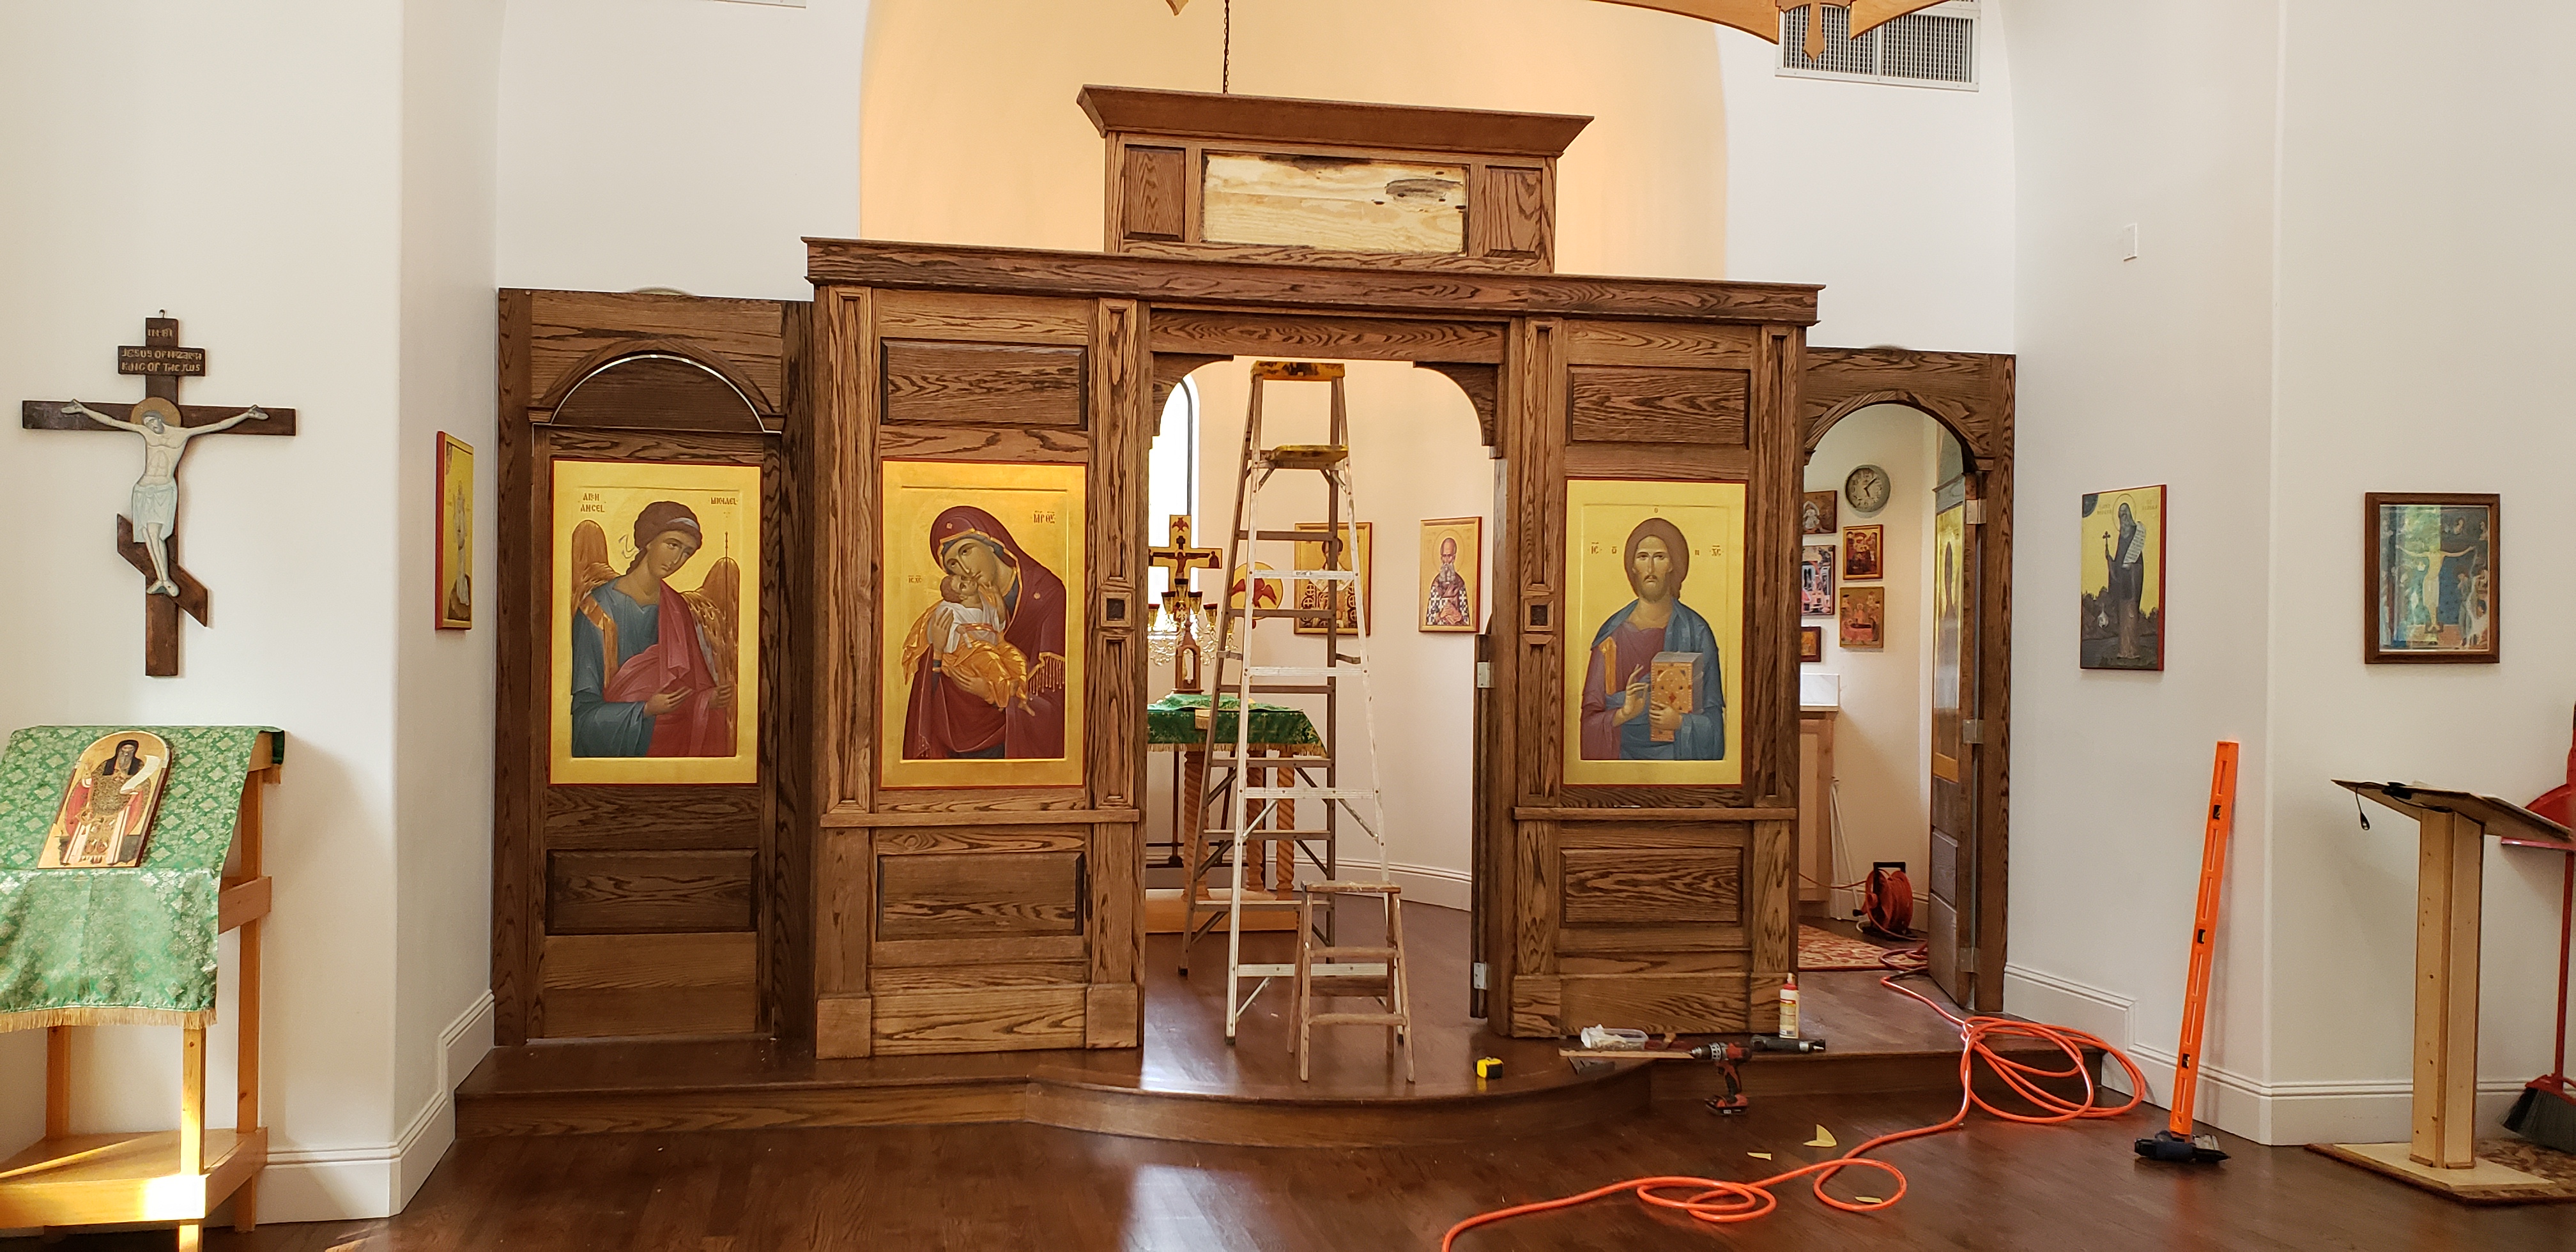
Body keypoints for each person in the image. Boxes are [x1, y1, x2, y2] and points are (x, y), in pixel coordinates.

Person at [569, 501, 736, 758]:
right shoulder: (596, 611)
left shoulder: (678, 608)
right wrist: (645, 710)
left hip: (673, 745)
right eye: (672, 545)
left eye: (687, 553)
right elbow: (583, 717)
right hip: (621, 747)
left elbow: (688, 688)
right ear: (649, 541)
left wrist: (707, 699)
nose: (677, 560)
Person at [900, 507, 1069, 760]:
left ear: (992, 542)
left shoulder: (1045, 595)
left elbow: (1053, 697)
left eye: (966, 551)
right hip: (960, 735)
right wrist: (936, 653)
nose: (965, 569)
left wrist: (989, 692)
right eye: (953, 565)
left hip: (1017, 737)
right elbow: (931, 686)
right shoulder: (957, 605)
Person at [63, 396, 265, 596]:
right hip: (143, 489)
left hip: (163, 489)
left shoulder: (182, 434)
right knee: (149, 535)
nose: (151, 426)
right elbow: (113, 422)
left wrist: (246, 415)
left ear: (160, 419)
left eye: (152, 421)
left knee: (155, 534)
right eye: (146, 423)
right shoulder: (146, 432)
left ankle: (165, 579)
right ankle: (162, 579)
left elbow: (217, 425)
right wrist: (84, 410)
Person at [1579, 518, 1724, 761]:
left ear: (1672, 564)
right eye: (1643, 557)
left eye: (1660, 557)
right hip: (1621, 763)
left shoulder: (1697, 632)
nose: (1650, 568)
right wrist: (1623, 714)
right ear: (1633, 566)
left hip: (1678, 763)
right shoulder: (1611, 638)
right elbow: (1588, 724)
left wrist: (1680, 722)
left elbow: (1715, 724)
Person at [1425, 535, 1471, 627]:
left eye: (1449, 556)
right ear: (1441, 558)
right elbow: (1429, 619)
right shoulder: (1436, 584)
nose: (1446, 561)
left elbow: (1467, 620)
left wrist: (1459, 616)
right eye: (1444, 556)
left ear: (1454, 558)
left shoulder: (1460, 584)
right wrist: (1441, 615)